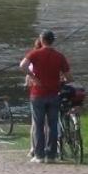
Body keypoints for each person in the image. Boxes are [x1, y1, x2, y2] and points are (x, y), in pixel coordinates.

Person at [19, 30, 71, 163]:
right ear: (53, 40)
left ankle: (39, 155)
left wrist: (33, 77)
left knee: (38, 124)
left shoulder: (35, 53)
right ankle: (51, 155)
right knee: (53, 125)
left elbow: (23, 66)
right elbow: (69, 77)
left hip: (38, 94)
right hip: (54, 94)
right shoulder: (60, 56)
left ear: (41, 40)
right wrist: (62, 81)